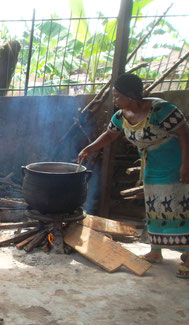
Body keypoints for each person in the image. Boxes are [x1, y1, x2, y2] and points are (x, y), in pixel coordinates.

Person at [78, 73, 189, 278]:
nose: (115, 100)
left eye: (118, 96)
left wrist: (186, 165)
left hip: (174, 164)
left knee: (178, 206)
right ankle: (156, 252)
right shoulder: (121, 116)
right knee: (155, 205)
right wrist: (90, 148)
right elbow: (110, 134)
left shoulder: (161, 110)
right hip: (152, 166)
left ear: (131, 97)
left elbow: (184, 134)